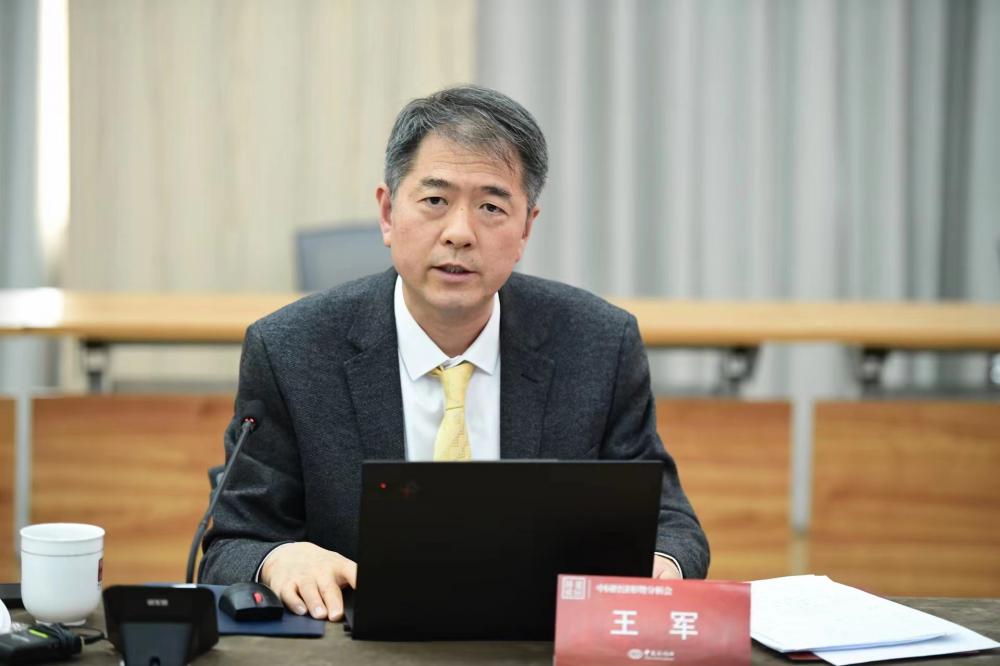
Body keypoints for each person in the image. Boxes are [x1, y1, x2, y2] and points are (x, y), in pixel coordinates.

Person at [200, 85, 709, 621]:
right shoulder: (291, 350)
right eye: (435, 201)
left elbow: (669, 524)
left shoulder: (598, 345)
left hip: (535, 644)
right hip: (358, 645)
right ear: (388, 213)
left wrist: (658, 565)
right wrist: (278, 558)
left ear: (525, 229)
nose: (460, 234)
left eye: (491, 207)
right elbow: (232, 542)